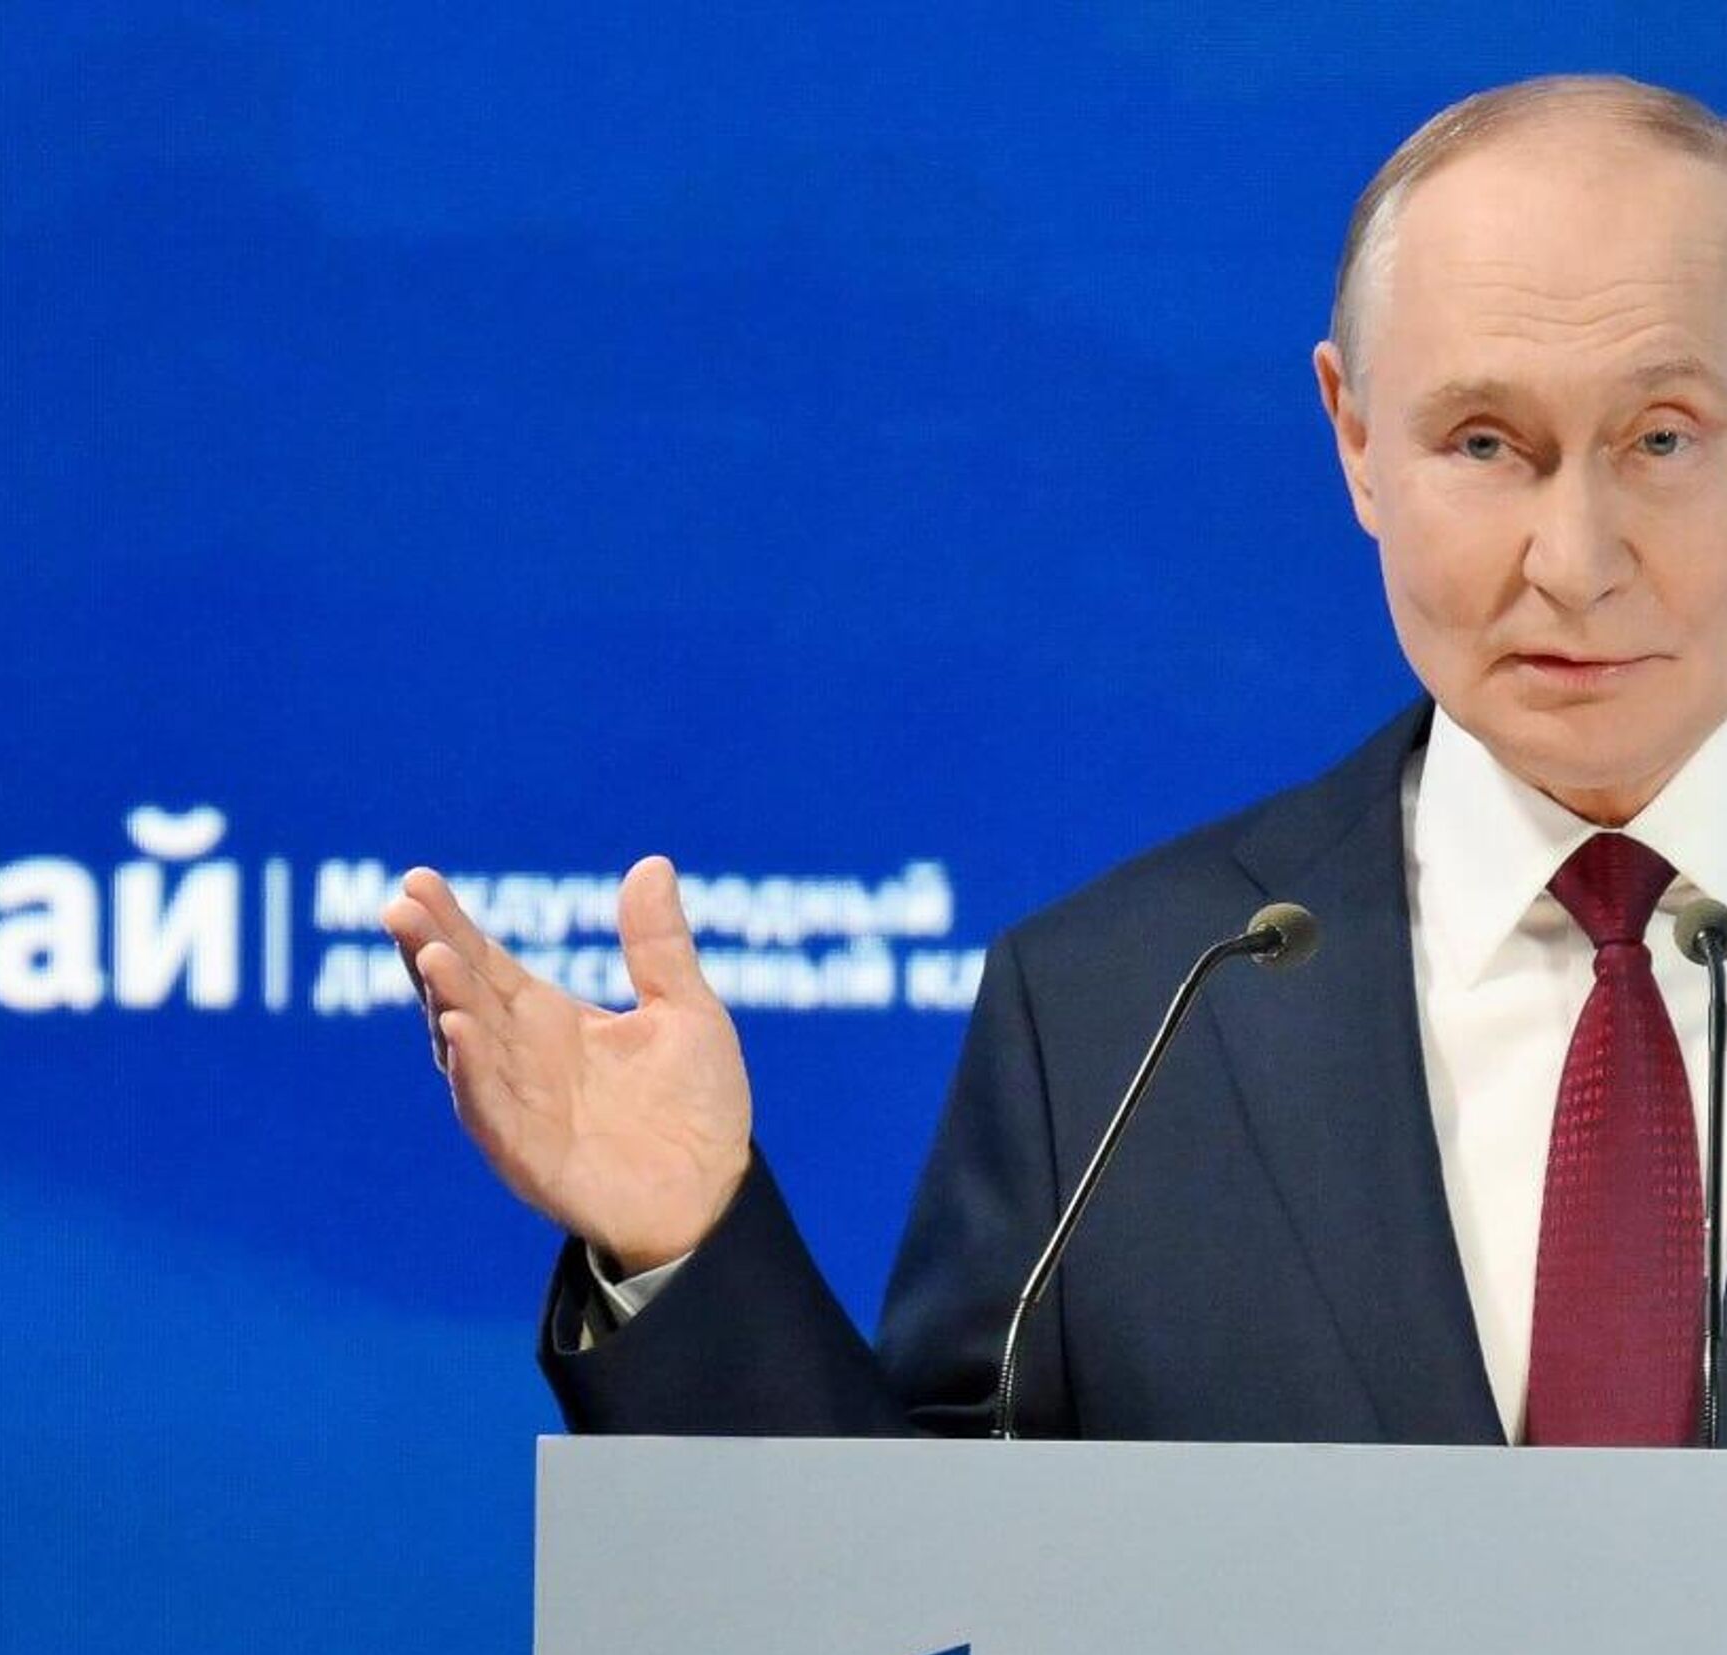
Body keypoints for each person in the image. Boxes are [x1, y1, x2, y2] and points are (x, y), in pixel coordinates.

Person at [384, 74, 1727, 1447]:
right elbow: (932, 1567)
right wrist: (688, 1247)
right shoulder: (1116, 1015)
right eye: (1486, 443)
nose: (1576, 562)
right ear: (1358, 441)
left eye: (1664, 438)